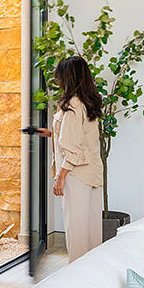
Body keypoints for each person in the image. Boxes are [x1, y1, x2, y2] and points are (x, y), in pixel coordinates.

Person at [35, 56, 104, 262]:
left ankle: (76, 275)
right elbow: (79, 136)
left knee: (76, 231)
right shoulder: (88, 101)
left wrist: (61, 176)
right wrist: (52, 133)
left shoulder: (72, 104)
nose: (58, 80)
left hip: (76, 174)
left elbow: (73, 148)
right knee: (91, 230)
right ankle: (94, 273)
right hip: (92, 172)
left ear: (69, 77)